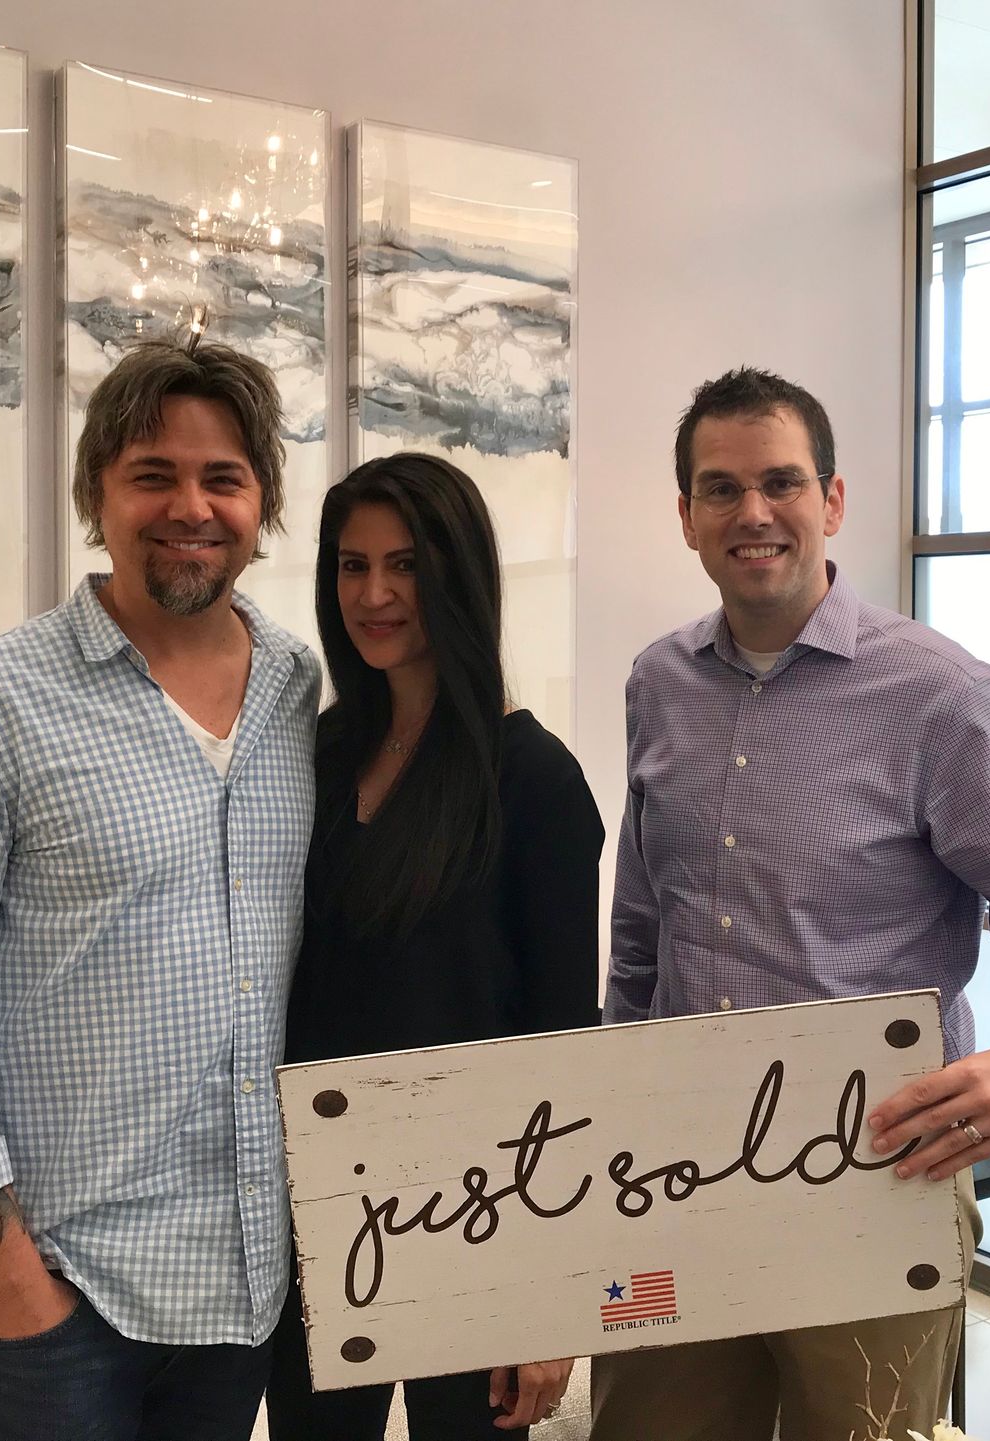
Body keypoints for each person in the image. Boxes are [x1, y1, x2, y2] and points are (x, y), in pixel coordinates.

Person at [591, 368, 990, 1441]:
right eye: (720, 487)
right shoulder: (658, 682)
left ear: (832, 501)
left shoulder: (940, 693)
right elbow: (641, 935)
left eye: (780, 482)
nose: (752, 513)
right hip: (677, 1170)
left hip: (877, 1173)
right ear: (685, 514)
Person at [0, 340, 320, 1441]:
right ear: (97, 495)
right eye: (153, 474)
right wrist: (3, 1269)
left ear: (262, 504)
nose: (191, 507)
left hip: (246, 1275)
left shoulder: (301, 691)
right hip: (63, 1283)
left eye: (225, 478)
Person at [264, 453, 603, 1439]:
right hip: (321, 1216)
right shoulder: (315, 755)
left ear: (458, 576)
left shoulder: (535, 782)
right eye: (351, 563)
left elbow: (561, 1052)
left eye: (405, 565)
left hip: (476, 1218)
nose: (373, 594)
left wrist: (552, 1301)